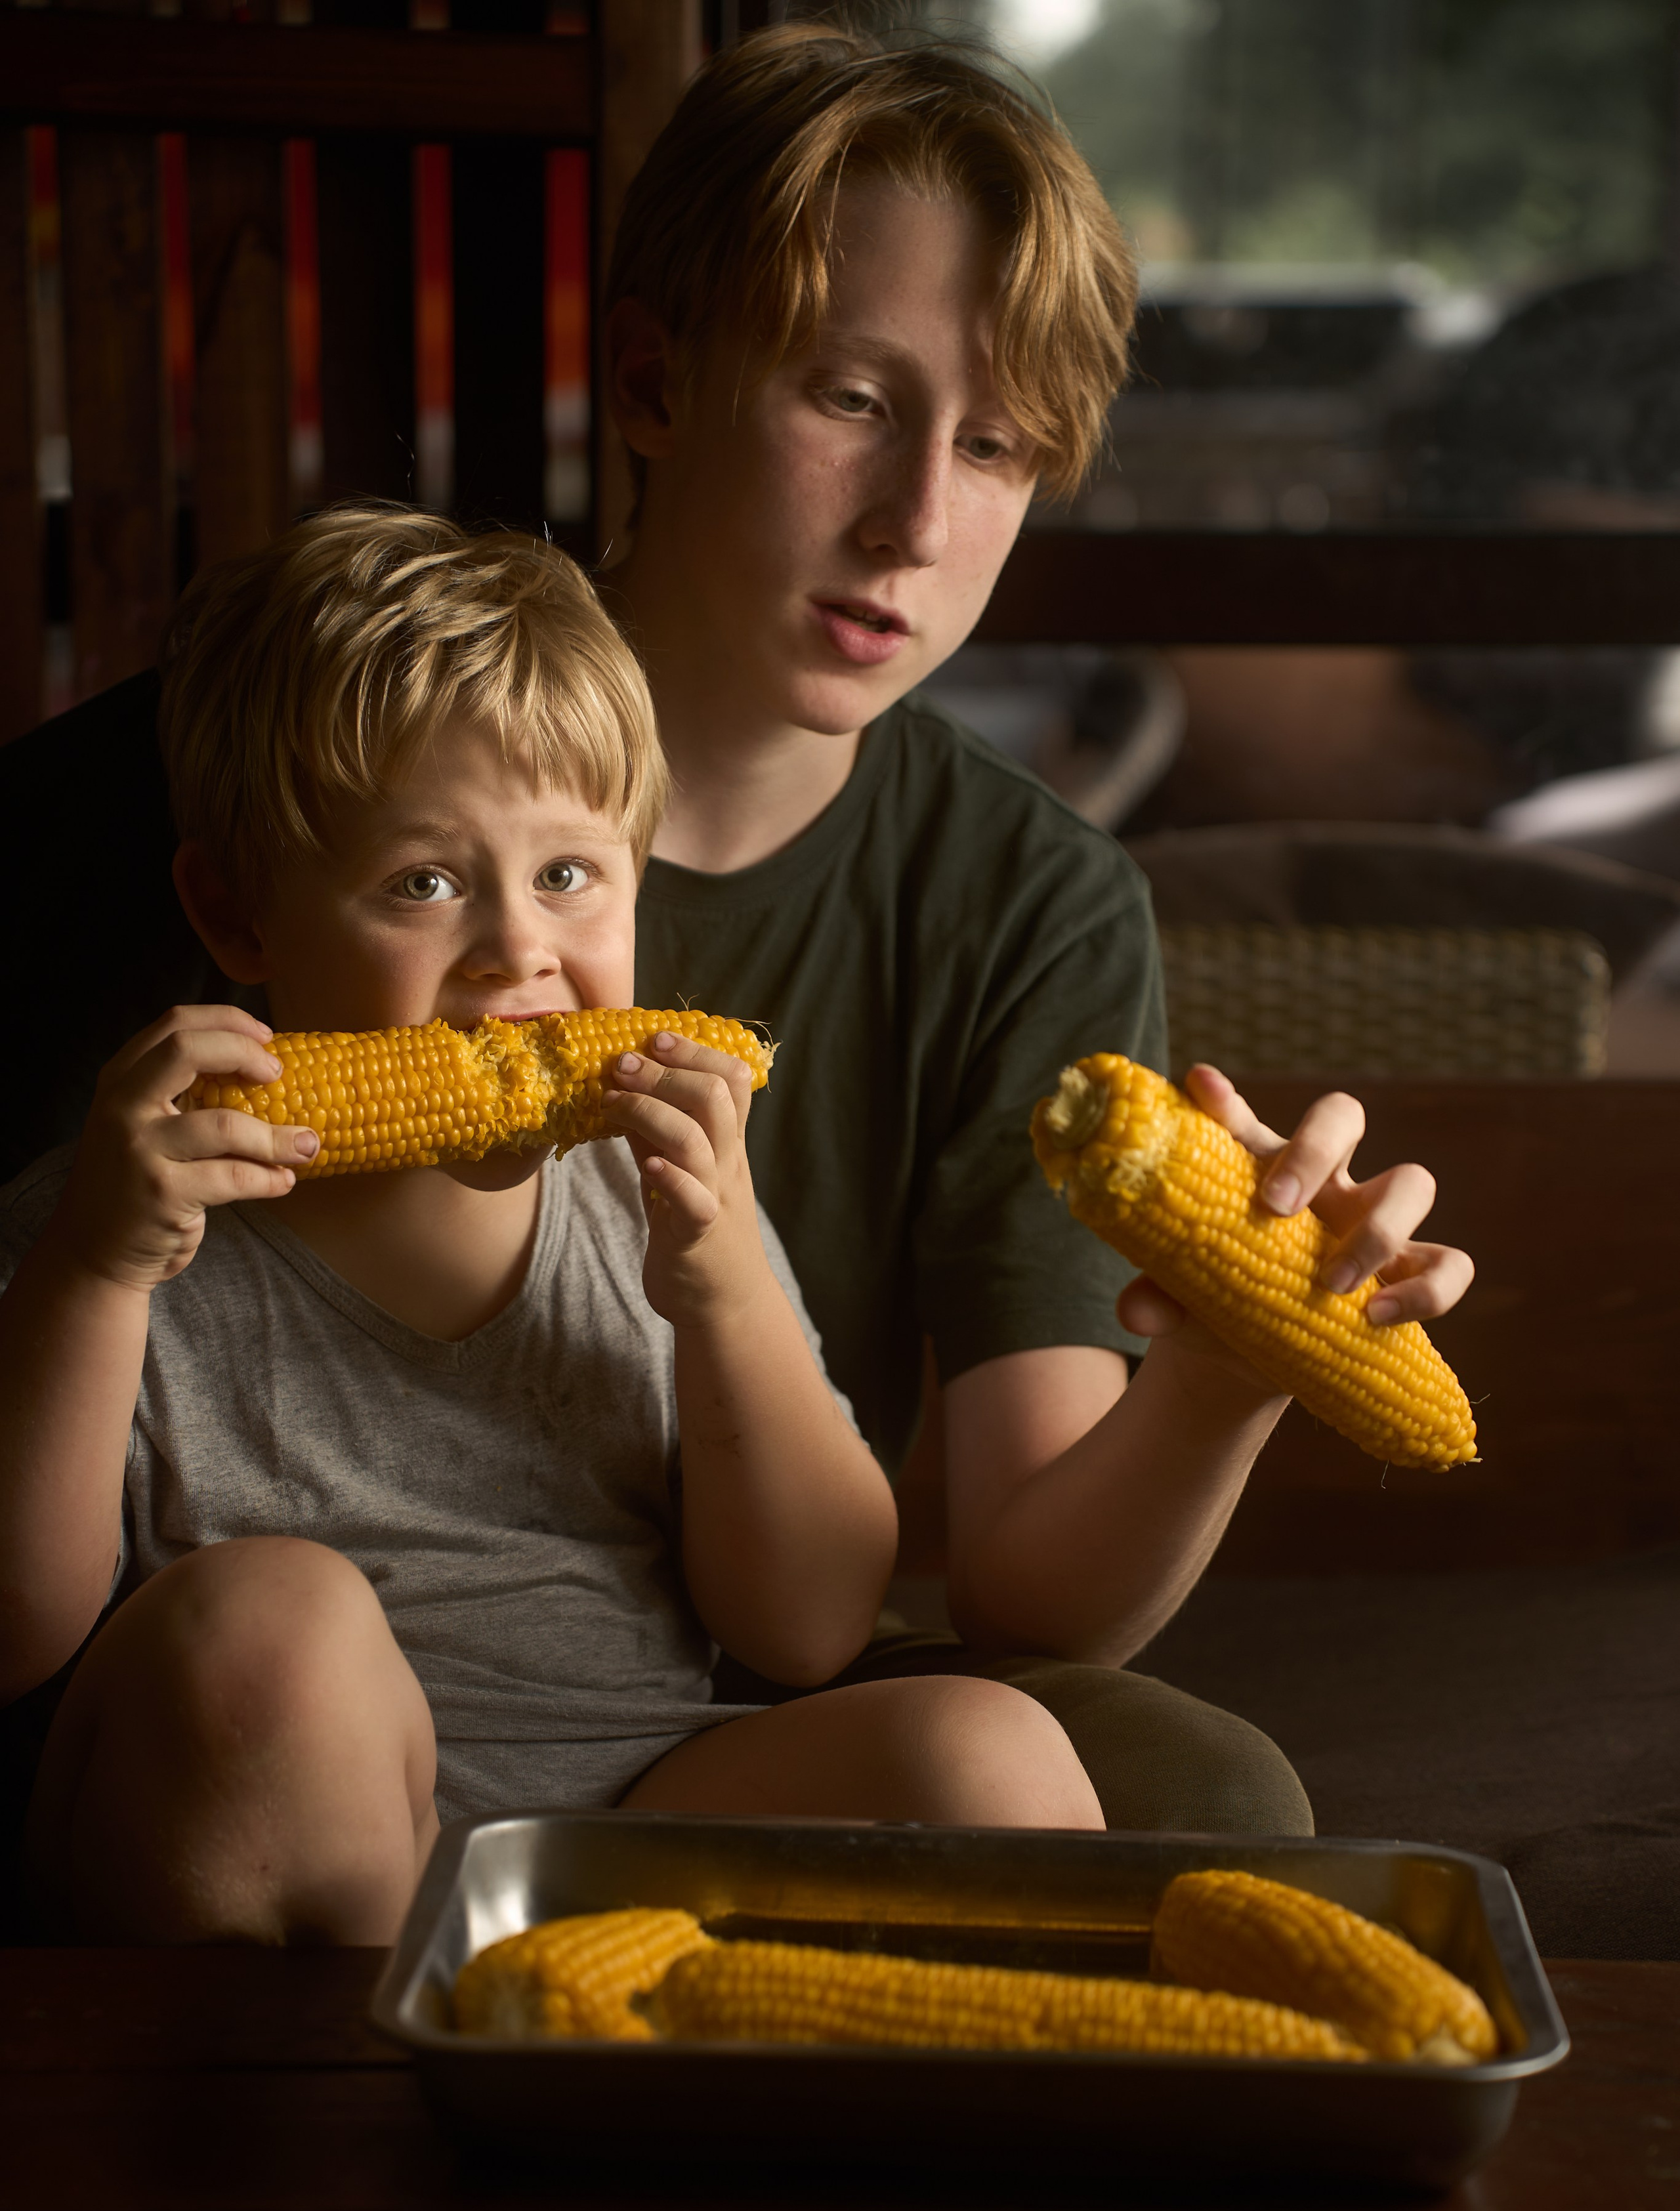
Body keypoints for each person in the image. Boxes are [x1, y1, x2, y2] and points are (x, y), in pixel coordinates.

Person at [0, 507, 1120, 1948]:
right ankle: (347, 2116)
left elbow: (808, 1626)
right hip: (277, 1861)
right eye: (424, 882)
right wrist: (96, 1275)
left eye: (569, 875)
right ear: (238, 916)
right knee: (271, 1630)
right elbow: (17, 1636)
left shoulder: (655, 1205)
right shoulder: (113, 1213)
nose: (517, 950)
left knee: (990, 1759)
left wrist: (718, 1290)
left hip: (622, 1821)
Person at [599, 24, 1472, 1825]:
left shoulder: (1030, 897)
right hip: (350, 1632)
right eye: (850, 399)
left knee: (1218, 1806)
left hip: (766, 1697)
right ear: (656, 379)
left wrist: (1229, 1373)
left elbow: (1025, 1587)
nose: (917, 521)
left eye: (994, 445)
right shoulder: (353, 738)